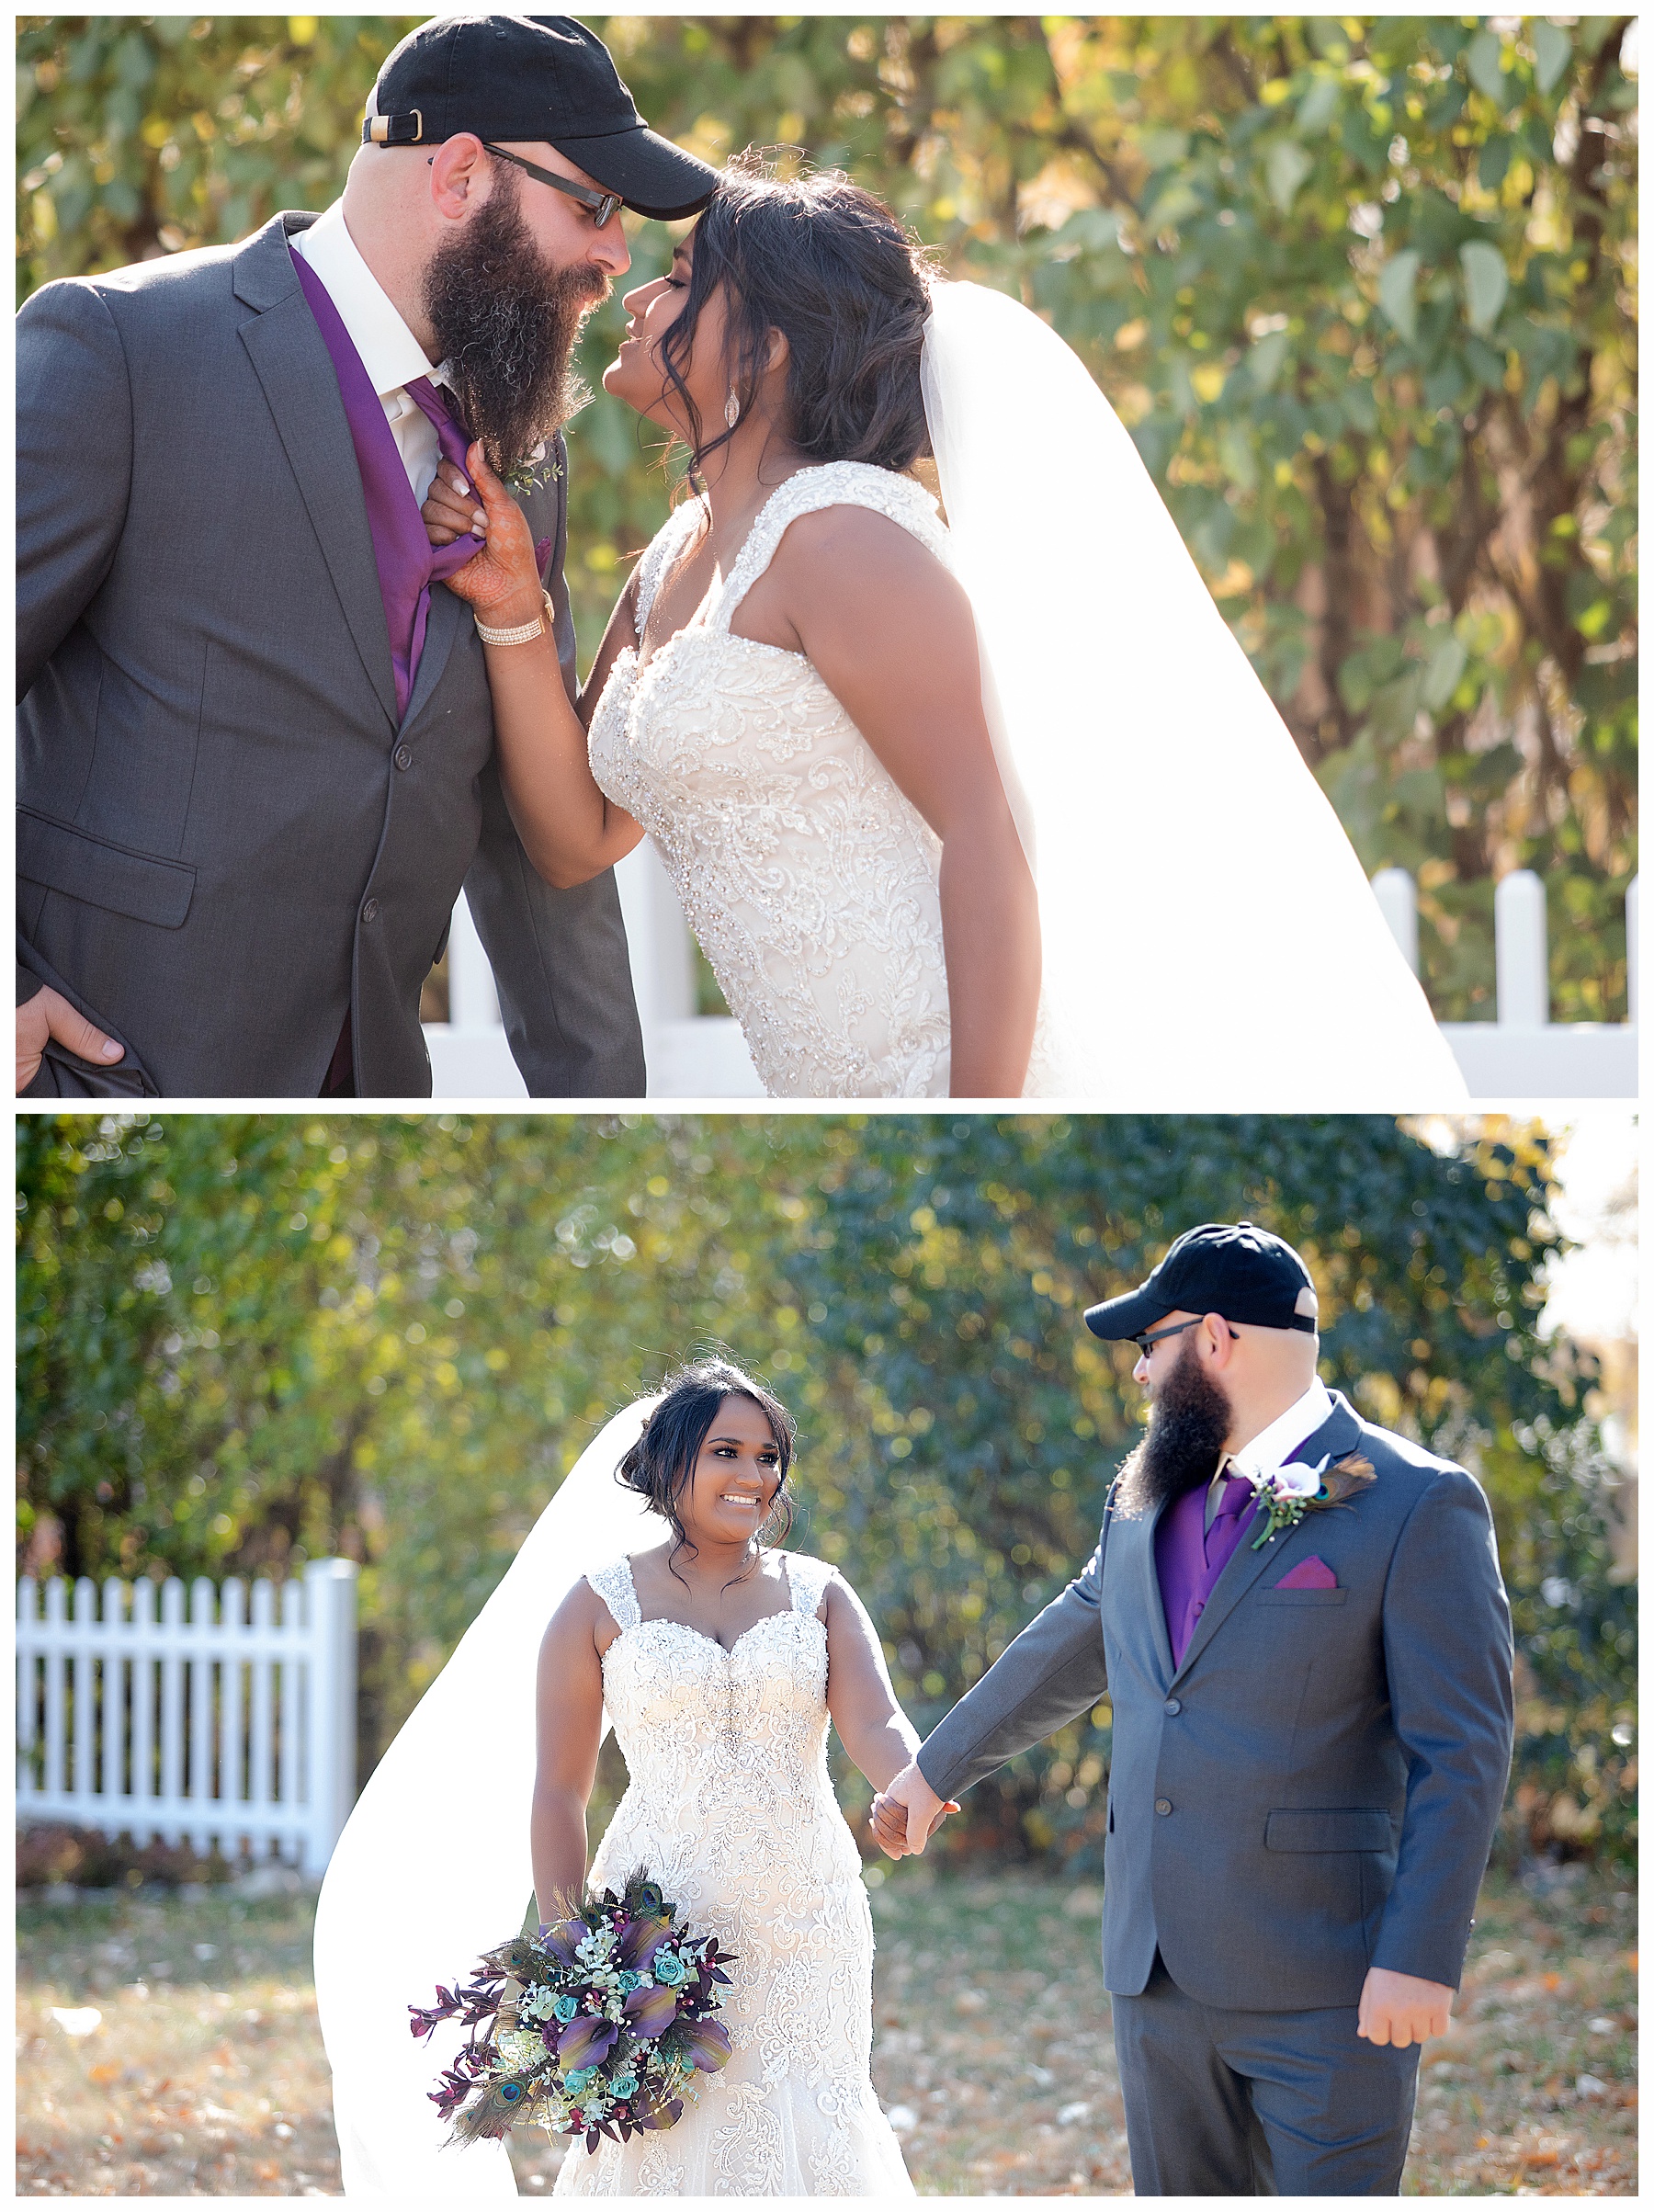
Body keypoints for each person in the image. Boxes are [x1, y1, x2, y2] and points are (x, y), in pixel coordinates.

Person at [422, 159, 1469, 1106]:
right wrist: (516, 611)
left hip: (952, 1079)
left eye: (686, 276)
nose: (641, 296)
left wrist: (976, 1121)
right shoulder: (672, 558)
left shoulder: (843, 542)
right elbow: (576, 841)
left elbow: (988, 837)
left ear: (771, 344)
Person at [16, 15, 719, 1096]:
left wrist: (603, 1113)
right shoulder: (120, 350)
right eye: (593, 205)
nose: (615, 255)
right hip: (104, 1094)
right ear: (461, 175)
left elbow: (530, 833)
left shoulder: (524, 451)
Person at [873, 1220, 1514, 2195]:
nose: (1138, 1374)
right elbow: (1072, 1639)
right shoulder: (1142, 1497)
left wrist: (1420, 1958)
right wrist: (933, 1770)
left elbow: (1463, 1751)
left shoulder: (1418, 1503)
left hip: (1329, 1985)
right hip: (1156, 1976)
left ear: (1215, 1339)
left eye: (1149, 1345)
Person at [313, 1363, 928, 2198]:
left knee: (813, 2112)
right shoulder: (595, 1605)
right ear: (671, 1461)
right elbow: (557, 1791)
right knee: (662, 2139)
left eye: (768, 1456)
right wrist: (577, 1953)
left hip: (806, 1914)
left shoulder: (820, 1593)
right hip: (660, 1919)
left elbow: (876, 1723)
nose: (753, 1475)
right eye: (726, 1451)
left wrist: (910, 1785)